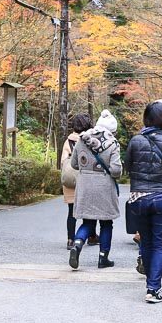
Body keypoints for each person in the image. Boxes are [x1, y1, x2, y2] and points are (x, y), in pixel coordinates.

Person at [126, 101, 162, 303]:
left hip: (139, 198)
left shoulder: (135, 141)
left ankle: (149, 280)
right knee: (161, 245)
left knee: (147, 241)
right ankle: (153, 288)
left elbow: (128, 167)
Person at [68, 109, 122, 270]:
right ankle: (103, 258)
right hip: (104, 186)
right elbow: (116, 170)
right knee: (106, 223)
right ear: (112, 129)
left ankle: (77, 245)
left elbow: (74, 164)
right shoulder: (112, 143)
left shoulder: (82, 139)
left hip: (85, 185)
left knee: (87, 221)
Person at [60, 114, 93, 249]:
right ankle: (90, 236)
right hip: (86, 180)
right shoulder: (88, 140)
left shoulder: (68, 141)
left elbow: (63, 162)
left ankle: (70, 239)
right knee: (87, 212)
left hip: (70, 181)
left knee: (71, 212)